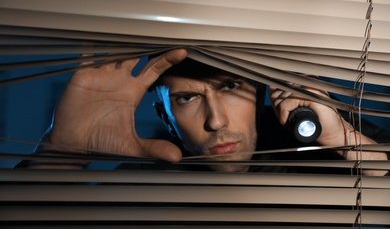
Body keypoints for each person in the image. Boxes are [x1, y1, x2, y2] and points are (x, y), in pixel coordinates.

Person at [30, 49, 388, 175]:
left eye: (230, 87)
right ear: (163, 113)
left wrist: (344, 139)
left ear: (262, 88)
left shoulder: (331, 147)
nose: (215, 120)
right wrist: (59, 155)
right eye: (186, 98)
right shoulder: (140, 188)